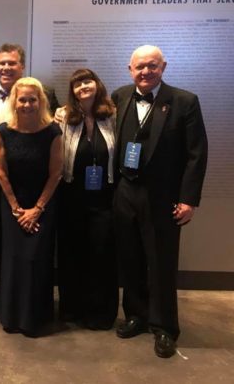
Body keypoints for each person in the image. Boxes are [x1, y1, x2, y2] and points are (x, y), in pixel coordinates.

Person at [113, 45, 208, 358]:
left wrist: (188, 199)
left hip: (163, 197)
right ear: (130, 69)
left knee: (162, 263)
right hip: (125, 191)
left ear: (163, 67)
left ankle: (164, 327)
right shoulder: (119, 96)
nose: (145, 72)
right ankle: (136, 315)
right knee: (130, 259)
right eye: (139, 66)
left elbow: (196, 154)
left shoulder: (184, 101)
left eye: (152, 66)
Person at [0, 43, 59, 310]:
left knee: (35, 247)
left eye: (12, 63)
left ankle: (32, 302)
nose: (6, 68)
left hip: (36, 183)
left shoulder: (44, 92)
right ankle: (6, 293)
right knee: (2, 241)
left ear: (22, 66)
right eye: (1, 63)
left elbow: (54, 126)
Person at [0, 77, 62, 336]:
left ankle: (35, 319)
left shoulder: (53, 131)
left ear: (40, 101)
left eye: (32, 99)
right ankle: (12, 317)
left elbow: (55, 174)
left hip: (43, 204)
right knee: (13, 260)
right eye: (22, 99)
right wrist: (16, 208)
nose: (27, 104)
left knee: (36, 260)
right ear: (14, 101)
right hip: (13, 204)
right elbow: (1, 172)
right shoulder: (3, 131)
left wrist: (37, 209)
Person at [55, 69, 118, 330]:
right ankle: (72, 309)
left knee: (101, 254)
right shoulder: (63, 116)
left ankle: (100, 312)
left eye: (87, 81)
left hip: (104, 198)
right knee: (72, 253)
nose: (83, 86)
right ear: (73, 91)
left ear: (97, 84)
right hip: (71, 196)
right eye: (78, 84)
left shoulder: (112, 115)